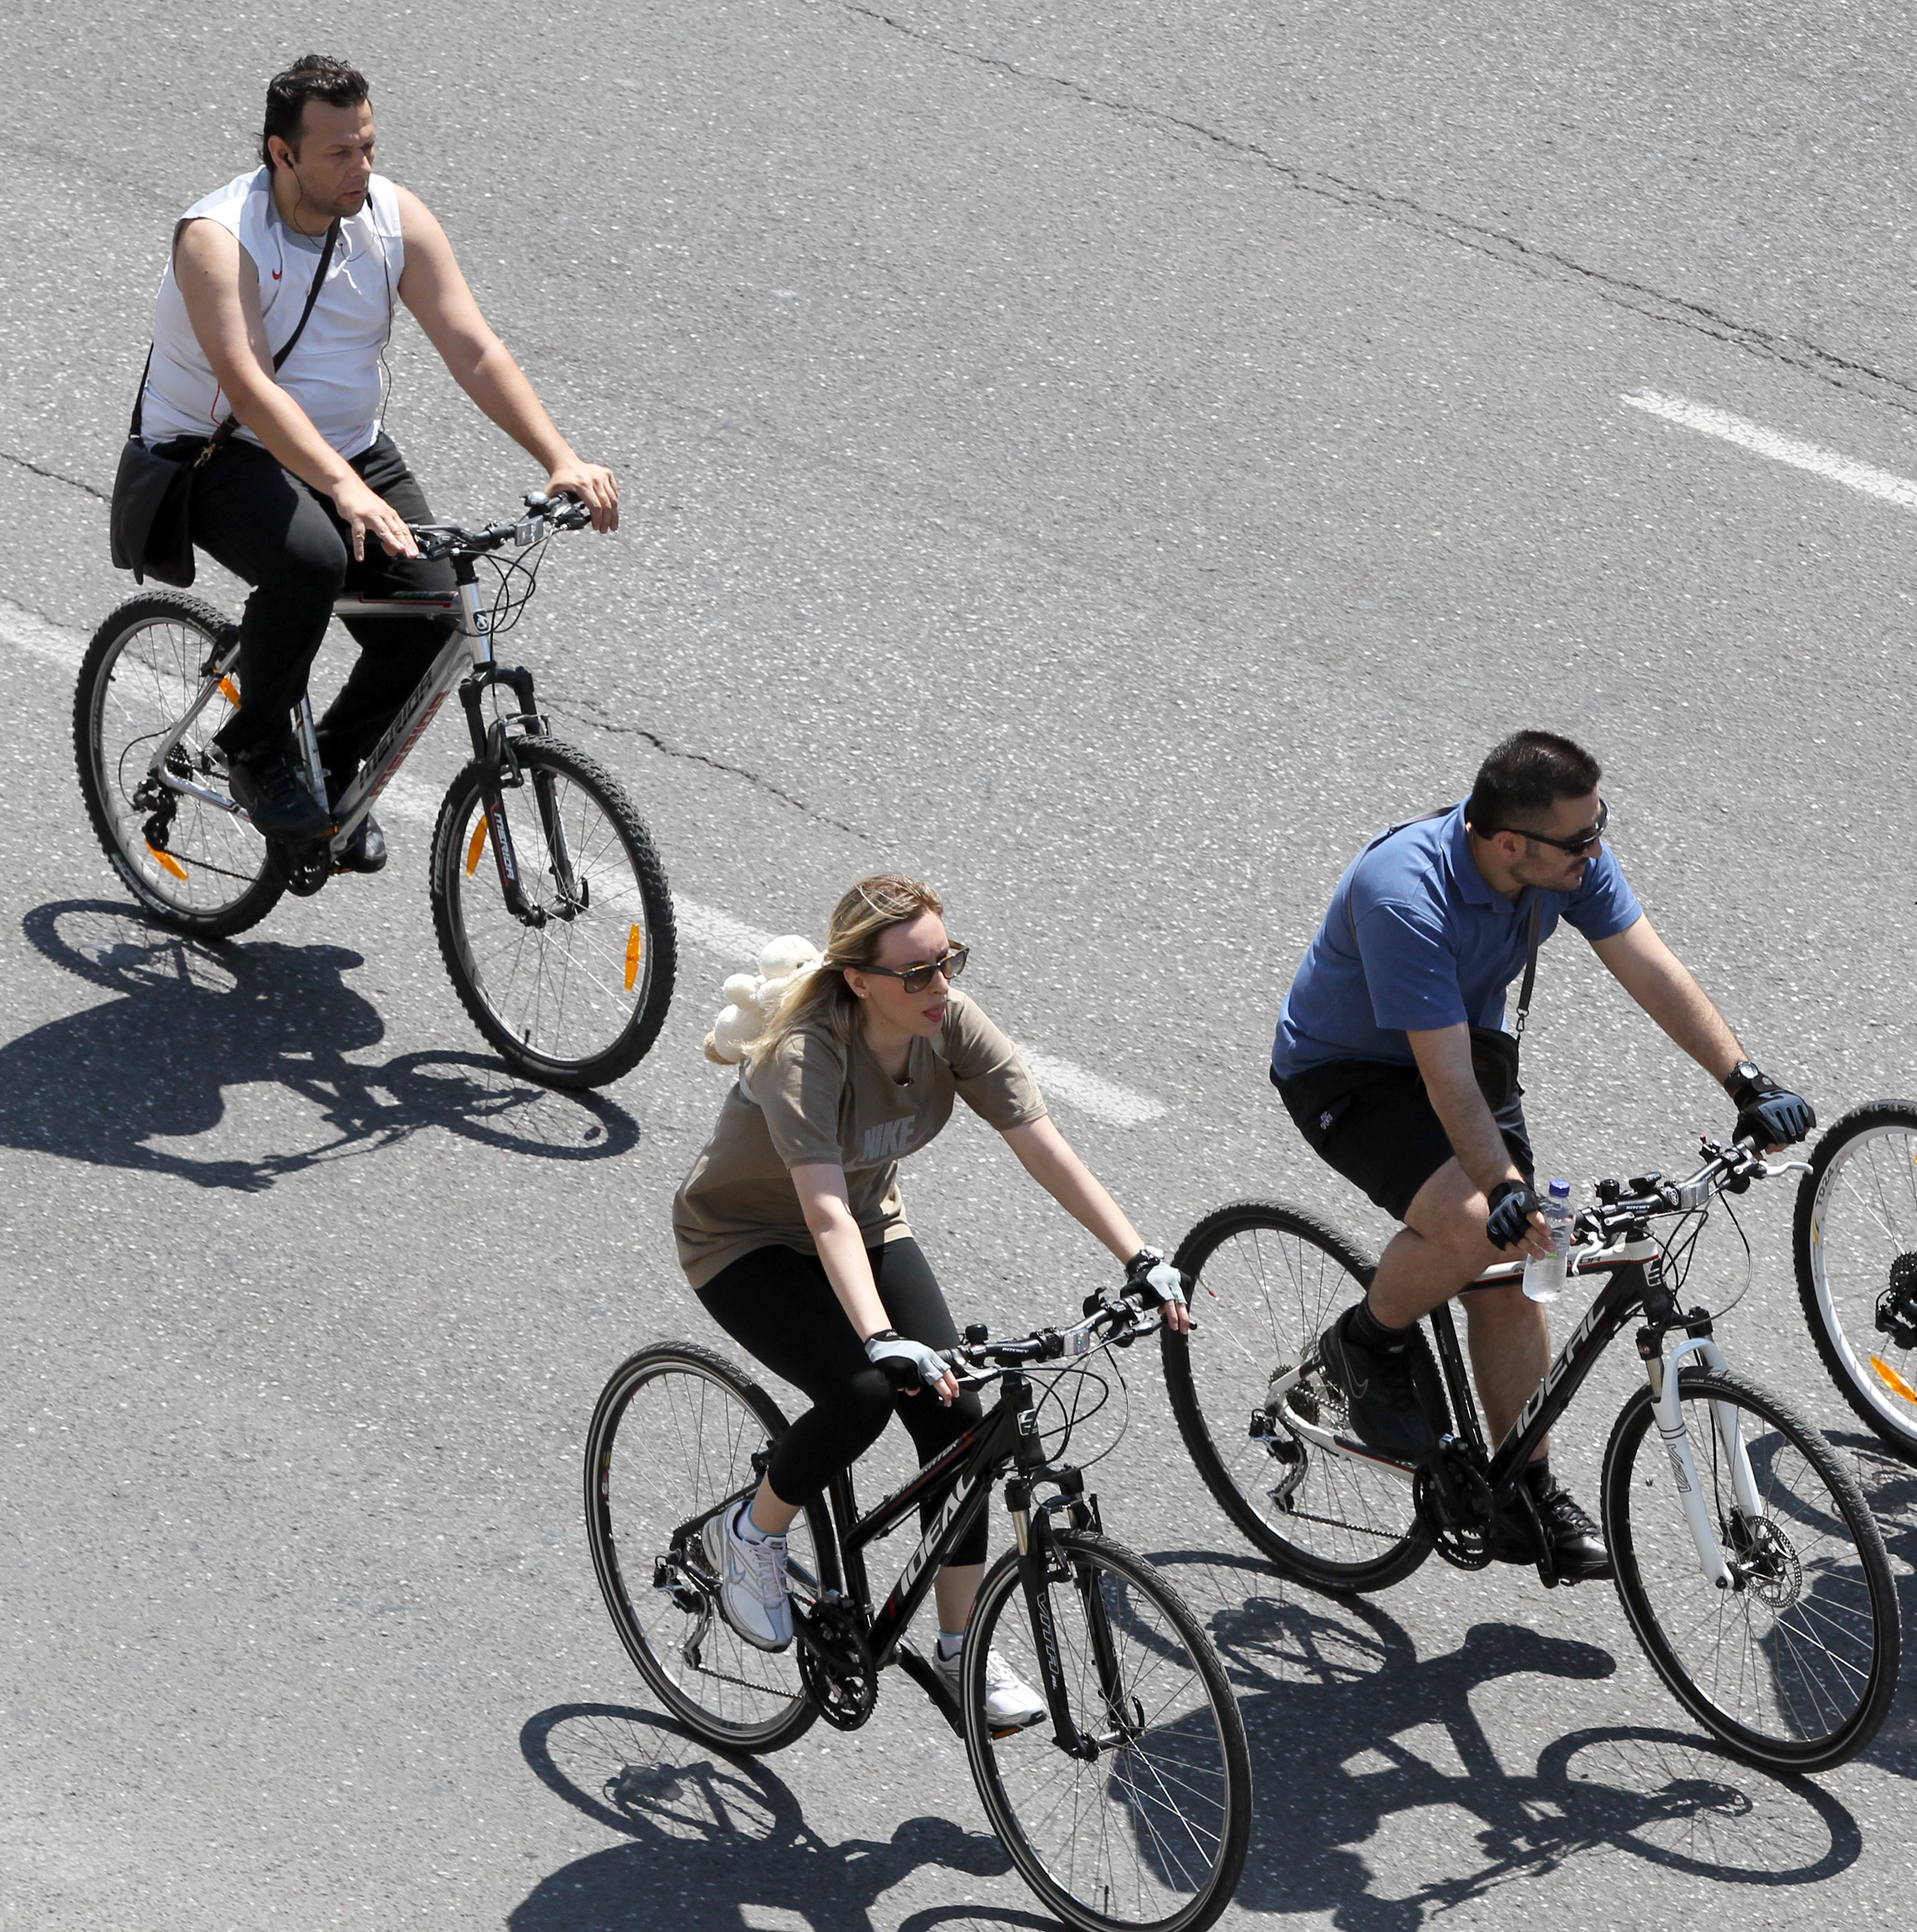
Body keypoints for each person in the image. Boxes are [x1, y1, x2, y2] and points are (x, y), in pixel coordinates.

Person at [1272, 732, 1816, 1581]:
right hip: (1353, 1074)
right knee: (1479, 1227)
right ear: (1508, 843)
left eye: (1601, 827)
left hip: (1466, 1047)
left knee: (1530, 1260)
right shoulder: (1404, 894)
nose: (1596, 850)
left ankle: (1526, 1486)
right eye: (1580, 839)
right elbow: (1442, 1076)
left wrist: (1743, 1080)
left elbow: (1652, 968)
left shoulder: (1565, 858)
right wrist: (1499, 1188)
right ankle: (1363, 1344)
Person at [672, 875, 1187, 1728]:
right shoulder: (808, 1054)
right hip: (745, 1240)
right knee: (863, 1394)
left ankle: (962, 1654)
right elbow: (821, 1209)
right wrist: (878, 1336)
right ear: (859, 980)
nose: (940, 986)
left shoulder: (948, 1026)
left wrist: (1139, 1254)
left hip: (868, 1224)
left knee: (959, 1424)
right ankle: (751, 1532)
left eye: (946, 962)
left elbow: (1041, 1144)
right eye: (916, 973)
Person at [135, 53, 618, 868]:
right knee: (311, 560)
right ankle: (256, 749)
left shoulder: (393, 219)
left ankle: (322, 773)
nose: (362, 167)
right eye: (339, 152)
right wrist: (344, 492)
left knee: (435, 614)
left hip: (346, 449)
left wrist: (559, 456)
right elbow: (249, 388)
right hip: (213, 453)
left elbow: (473, 347)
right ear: (281, 154)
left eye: (368, 146)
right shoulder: (218, 239)